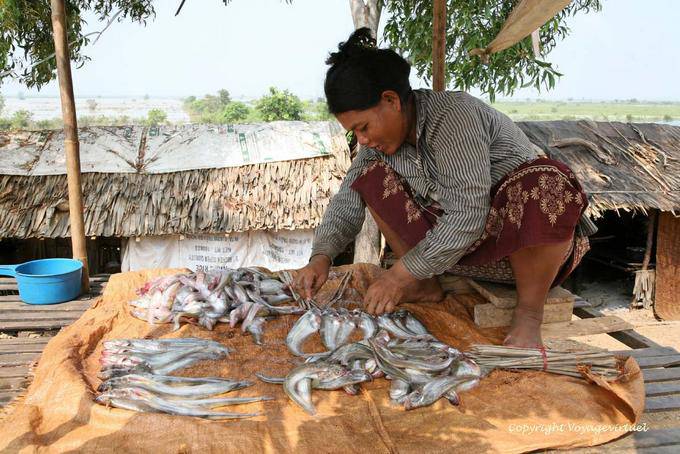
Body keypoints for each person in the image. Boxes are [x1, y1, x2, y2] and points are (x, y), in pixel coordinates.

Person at [293, 28, 596, 348]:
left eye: (364, 127)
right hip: (456, 256)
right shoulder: (375, 149)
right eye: (355, 133)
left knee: (546, 182)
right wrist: (321, 257)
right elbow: (347, 201)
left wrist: (397, 275)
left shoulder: (453, 117)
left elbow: (467, 216)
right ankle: (423, 284)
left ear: (391, 100)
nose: (363, 140)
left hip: (524, 252)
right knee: (368, 176)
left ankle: (529, 314)